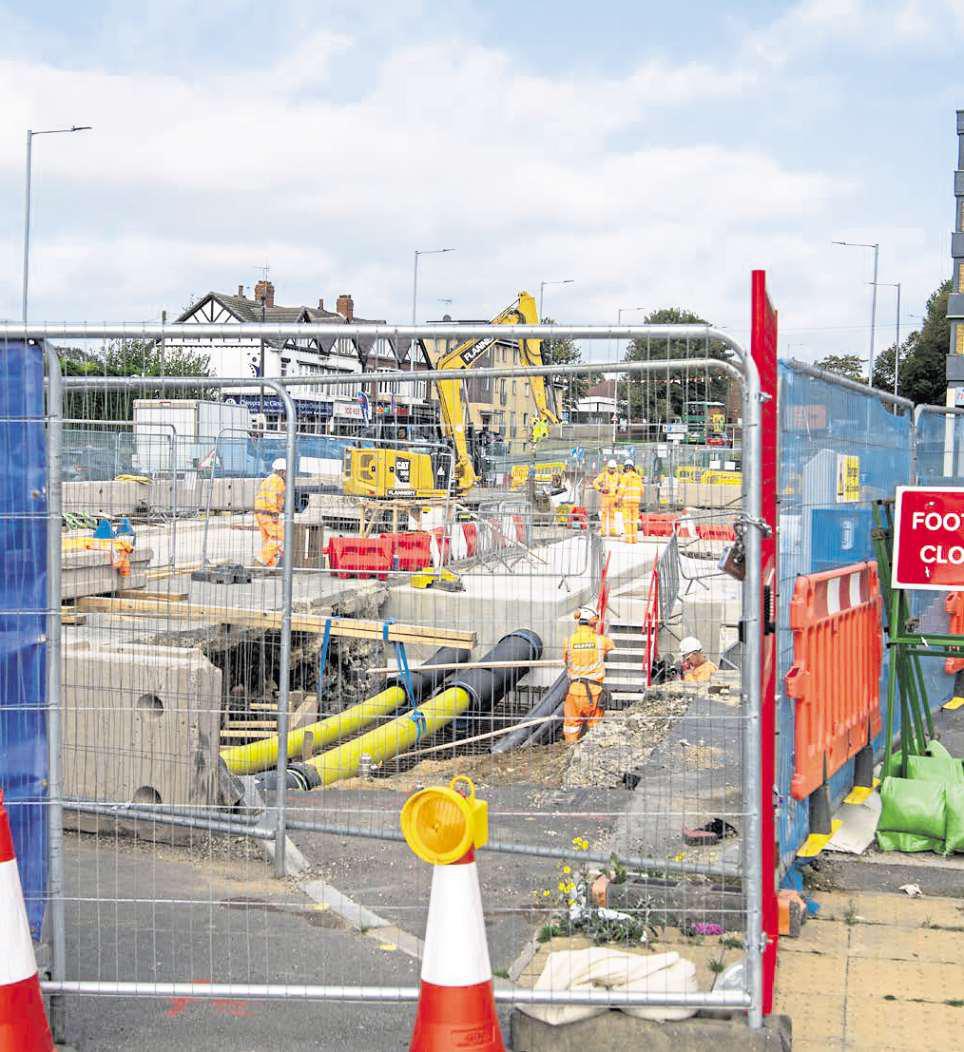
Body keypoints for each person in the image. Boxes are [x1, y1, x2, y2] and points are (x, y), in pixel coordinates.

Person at [562, 607, 615, 744]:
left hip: (574, 691)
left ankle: (571, 751)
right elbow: (611, 646)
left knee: (571, 727)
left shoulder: (568, 641)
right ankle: (592, 754)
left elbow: (566, 660)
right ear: (593, 623)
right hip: (594, 693)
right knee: (594, 726)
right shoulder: (601, 641)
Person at [254, 458, 287, 567]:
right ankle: (261, 560)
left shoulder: (269, 479)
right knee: (279, 536)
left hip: (260, 511)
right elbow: (272, 497)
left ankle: (269, 565)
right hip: (267, 512)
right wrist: (274, 513)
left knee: (268, 539)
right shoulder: (277, 480)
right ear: (283, 471)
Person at [592, 459, 621, 538]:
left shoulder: (618, 475)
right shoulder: (603, 475)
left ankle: (612, 531)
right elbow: (595, 482)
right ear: (608, 468)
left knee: (612, 515)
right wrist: (601, 489)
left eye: (613, 468)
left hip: (614, 498)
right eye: (611, 468)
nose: (612, 470)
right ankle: (603, 531)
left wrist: (618, 492)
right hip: (605, 498)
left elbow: (622, 484)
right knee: (604, 515)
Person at [617, 459, 644, 543]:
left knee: (627, 521)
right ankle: (634, 539)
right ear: (633, 467)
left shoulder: (625, 476)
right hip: (636, 502)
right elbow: (642, 491)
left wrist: (618, 500)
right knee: (634, 521)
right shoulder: (638, 477)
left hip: (627, 502)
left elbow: (621, 489)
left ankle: (629, 539)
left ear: (626, 468)